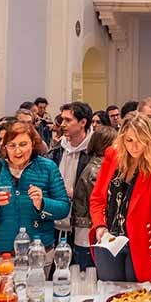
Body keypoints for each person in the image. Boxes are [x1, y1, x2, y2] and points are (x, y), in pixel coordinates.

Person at [89, 112, 151, 283]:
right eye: (129, 140)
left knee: (137, 298)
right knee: (109, 295)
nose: (135, 147)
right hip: (108, 239)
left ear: (149, 139)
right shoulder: (112, 156)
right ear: (122, 139)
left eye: (140, 140)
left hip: (141, 243)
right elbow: (97, 199)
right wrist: (99, 225)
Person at [0, 120, 70, 256]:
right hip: (0, 252)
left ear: (33, 143)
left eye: (23, 144)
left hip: (39, 250)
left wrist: (42, 204)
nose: (18, 151)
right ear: (4, 147)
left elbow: (63, 208)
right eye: (12, 145)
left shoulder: (48, 167)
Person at [72, 128, 115, 271]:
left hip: (86, 229)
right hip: (90, 230)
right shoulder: (98, 169)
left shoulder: (94, 164)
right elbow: (99, 202)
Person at [50, 102, 93, 243]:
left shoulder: (94, 154)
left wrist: (75, 193)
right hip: (55, 222)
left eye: (68, 120)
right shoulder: (57, 150)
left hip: (83, 224)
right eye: (62, 119)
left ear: (83, 122)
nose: (62, 124)